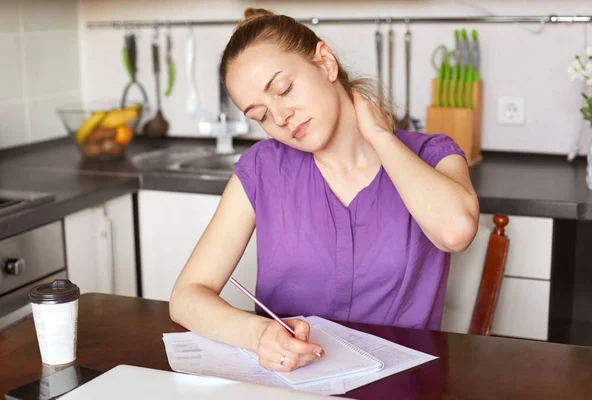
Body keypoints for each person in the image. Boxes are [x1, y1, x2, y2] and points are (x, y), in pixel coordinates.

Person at [169, 8, 479, 373]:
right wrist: (258, 335)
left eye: (283, 90)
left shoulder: (431, 154)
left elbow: (456, 232)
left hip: (401, 386)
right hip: (292, 385)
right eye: (261, 116)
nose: (280, 117)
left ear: (326, 63)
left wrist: (380, 137)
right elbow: (186, 297)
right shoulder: (263, 168)